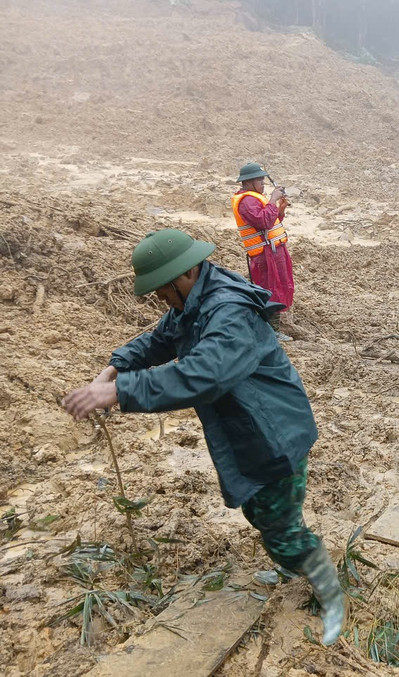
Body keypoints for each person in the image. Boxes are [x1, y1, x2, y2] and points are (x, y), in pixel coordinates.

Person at [60, 229, 344, 646]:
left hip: (273, 430)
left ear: (187, 273)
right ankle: (294, 556)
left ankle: (331, 592)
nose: (160, 300)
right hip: (249, 427)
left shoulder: (228, 311)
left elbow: (202, 375)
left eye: (161, 290)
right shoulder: (195, 299)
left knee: (277, 524)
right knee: (262, 509)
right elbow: (160, 339)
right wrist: (115, 368)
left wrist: (120, 391)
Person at [232, 162, 294, 341]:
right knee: (270, 288)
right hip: (266, 254)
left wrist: (279, 208)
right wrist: (273, 199)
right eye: (260, 179)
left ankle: (270, 330)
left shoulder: (253, 198)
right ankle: (271, 331)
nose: (263, 183)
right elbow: (263, 222)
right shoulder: (246, 201)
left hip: (273, 250)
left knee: (276, 286)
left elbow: (271, 222)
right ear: (249, 182)